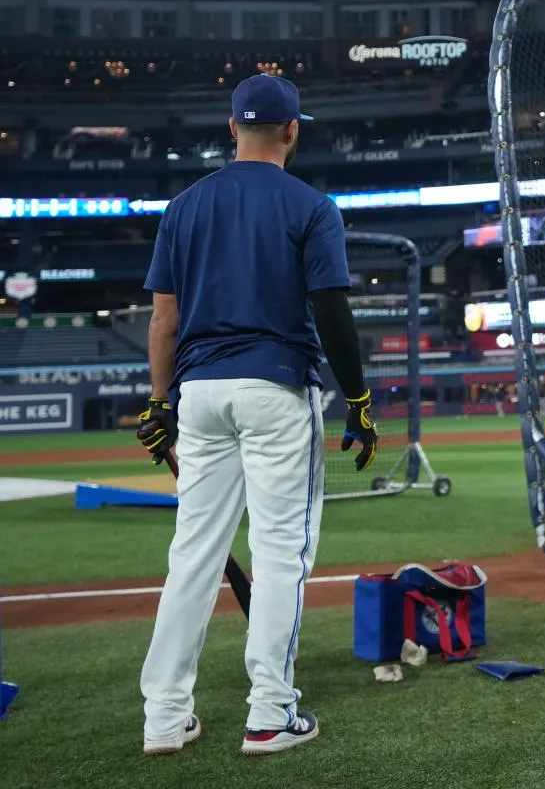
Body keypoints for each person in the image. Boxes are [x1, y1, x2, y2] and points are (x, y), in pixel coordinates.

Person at [135, 74, 378, 757]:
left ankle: (164, 716)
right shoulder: (311, 204)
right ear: (293, 130)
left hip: (200, 393)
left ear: (230, 127)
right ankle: (270, 714)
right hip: (275, 388)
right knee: (279, 558)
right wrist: (357, 402)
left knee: (192, 556)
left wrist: (161, 404)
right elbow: (331, 309)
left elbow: (163, 319)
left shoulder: (184, 206)